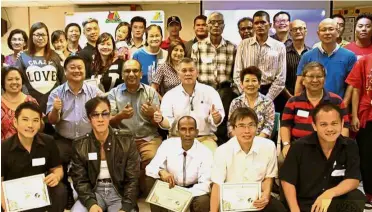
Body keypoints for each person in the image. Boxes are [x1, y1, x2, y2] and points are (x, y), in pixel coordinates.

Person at [280, 102, 366, 212]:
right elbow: (287, 180)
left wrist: (329, 193)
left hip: (330, 202)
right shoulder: (299, 147)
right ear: (314, 126)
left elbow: (353, 179)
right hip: (305, 204)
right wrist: (294, 209)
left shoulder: (350, 145)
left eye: (334, 123)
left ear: (342, 123)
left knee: (357, 197)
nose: (330, 129)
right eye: (324, 124)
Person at [46, 55, 102, 209]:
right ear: (65, 71)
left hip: (88, 138)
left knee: (93, 162)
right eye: (73, 67)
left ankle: (91, 193)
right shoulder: (56, 93)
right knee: (58, 157)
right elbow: (52, 121)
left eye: (80, 68)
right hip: (64, 139)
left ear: (85, 71)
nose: (77, 70)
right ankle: (67, 192)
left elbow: (102, 114)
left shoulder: (94, 92)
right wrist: (56, 110)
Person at [70, 96, 140, 212]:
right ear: (89, 118)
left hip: (119, 193)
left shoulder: (126, 140)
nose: (100, 119)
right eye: (95, 115)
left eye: (105, 114)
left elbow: (133, 179)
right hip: (94, 192)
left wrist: (126, 207)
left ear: (110, 115)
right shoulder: (79, 145)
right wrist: (90, 203)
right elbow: (80, 180)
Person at [210, 107, 286, 212]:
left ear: (257, 127)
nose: (247, 131)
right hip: (232, 201)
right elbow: (217, 185)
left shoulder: (268, 146)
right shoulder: (222, 151)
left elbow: (268, 177)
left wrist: (266, 195)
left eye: (251, 125)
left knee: (279, 209)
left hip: (256, 198)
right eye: (241, 126)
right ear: (233, 128)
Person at [108, 59, 161, 194]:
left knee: (154, 157)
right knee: (118, 159)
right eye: (127, 71)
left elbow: (159, 123)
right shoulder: (113, 93)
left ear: (141, 73)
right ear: (121, 74)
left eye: (135, 71)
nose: (131, 74)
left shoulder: (151, 92)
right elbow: (108, 122)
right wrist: (120, 116)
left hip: (148, 138)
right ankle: (130, 191)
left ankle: (146, 190)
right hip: (122, 139)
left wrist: (152, 114)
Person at [1, 101, 66, 212]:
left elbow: (57, 169)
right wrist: (7, 206)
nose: (30, 125)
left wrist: (56, 176)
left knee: (60, 190)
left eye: (35, 120)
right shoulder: (4, 148)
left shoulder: (48, 142)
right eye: (25, 120)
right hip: (15, 195)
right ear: (15, 122)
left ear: (40, 123)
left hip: (40, 192)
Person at [154, 58, 224, 152]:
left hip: (204, 139)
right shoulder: (170, 95)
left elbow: (217, 119)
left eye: (191, 70)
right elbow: (167, 123)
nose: (188, 74)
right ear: (178, 74)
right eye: (184, 71)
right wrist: (161, 119)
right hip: (177, 139)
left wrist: (216, 117)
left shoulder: (210, 92)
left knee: (213, 158)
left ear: (197, 72)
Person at [281, 62, 350, 158]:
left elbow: (345, 127)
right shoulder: (293, 101)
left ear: (324, 79)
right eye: (311, 76)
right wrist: (286, 145)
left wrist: (339, 148)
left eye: (319, 76)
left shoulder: (336, 101)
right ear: (303, 80)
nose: (315, 80)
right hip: (299, 150)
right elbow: (285, 125)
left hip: (329, 149)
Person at [145, 116, 212, 212]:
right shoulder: (167, 145)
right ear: (177, 132)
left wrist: (183, 195)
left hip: (193, 189)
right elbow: (150, 168)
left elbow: (205, 184)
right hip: (171, 186)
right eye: (183, 129)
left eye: (191, 129)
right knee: (151, 180)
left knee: (203, 200)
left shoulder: (205, 152)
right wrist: (161, 171)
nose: (187, 134)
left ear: (197, 132)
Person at [294, 18, 357, 106]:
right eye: (323, 30)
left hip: (337, 106)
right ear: (318, 34)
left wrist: (344, 105)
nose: (327, 33)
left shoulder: (350, 56)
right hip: (310, 106)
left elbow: (351, 85)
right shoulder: (307, 56)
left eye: (331, 29)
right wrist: (297, 105)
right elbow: (300, 82)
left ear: (338, 32)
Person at [234, 11, 286, 112]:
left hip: (271, 93)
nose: (259, 26)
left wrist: (266, 100)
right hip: (247, 90)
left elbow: (281, 78)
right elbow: (237, 73)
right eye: (256, 23)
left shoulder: (279, 47)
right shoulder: (243, 45)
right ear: (253, 26)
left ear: (270, 25)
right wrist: (246, 95)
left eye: (263, 22)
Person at [16, 22, 65, 114]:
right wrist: (27, 98)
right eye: (37, 35)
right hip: (31, 105)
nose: (41, 38)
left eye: (43, 35)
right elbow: (19, 81)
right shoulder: (23, 56)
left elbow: (63, 79)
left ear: (47, 37)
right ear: (31, 36)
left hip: (54, 105)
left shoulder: (55, 55)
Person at [345, 53, 372, 208]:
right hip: (367, 115)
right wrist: (354, 115)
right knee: (367, 156)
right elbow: (356, 88)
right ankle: (369, 194)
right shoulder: (365, 60)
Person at [191, 12, 236, 89]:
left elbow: (235, 74)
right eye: (212, 22)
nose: (216, 25)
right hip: (203, 90)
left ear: (223, 26)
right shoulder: (197, 47)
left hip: (224, 91)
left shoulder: (232, 48)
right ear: (207, 26)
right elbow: (193, 72)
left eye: (220, 22)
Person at [228, 66, 274, 138]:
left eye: (254, 80)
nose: (250, 84)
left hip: (260, 142)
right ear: (241, 84)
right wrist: (240, 140)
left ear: (259, 84)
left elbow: (268, 126)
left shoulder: (268, 102)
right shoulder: (236, 102)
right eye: (247, 81)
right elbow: (230, 125)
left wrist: (255, 141)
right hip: (239, 140)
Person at [281, 19, 311, 113]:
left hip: (308, 99)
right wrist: (291, 97)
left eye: (300, 29)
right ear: (290, 33)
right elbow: (279, 78)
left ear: (305, 31)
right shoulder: (283, 53)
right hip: (285, 98)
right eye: (294, 29)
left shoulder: (312, 53)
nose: (298, 31)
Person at [1, 66, 38, 141]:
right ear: (3, 82)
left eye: (17, 79)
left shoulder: (31, 101)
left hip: (28, 147)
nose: (14, 82)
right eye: (10, 79)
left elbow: (40, 126)